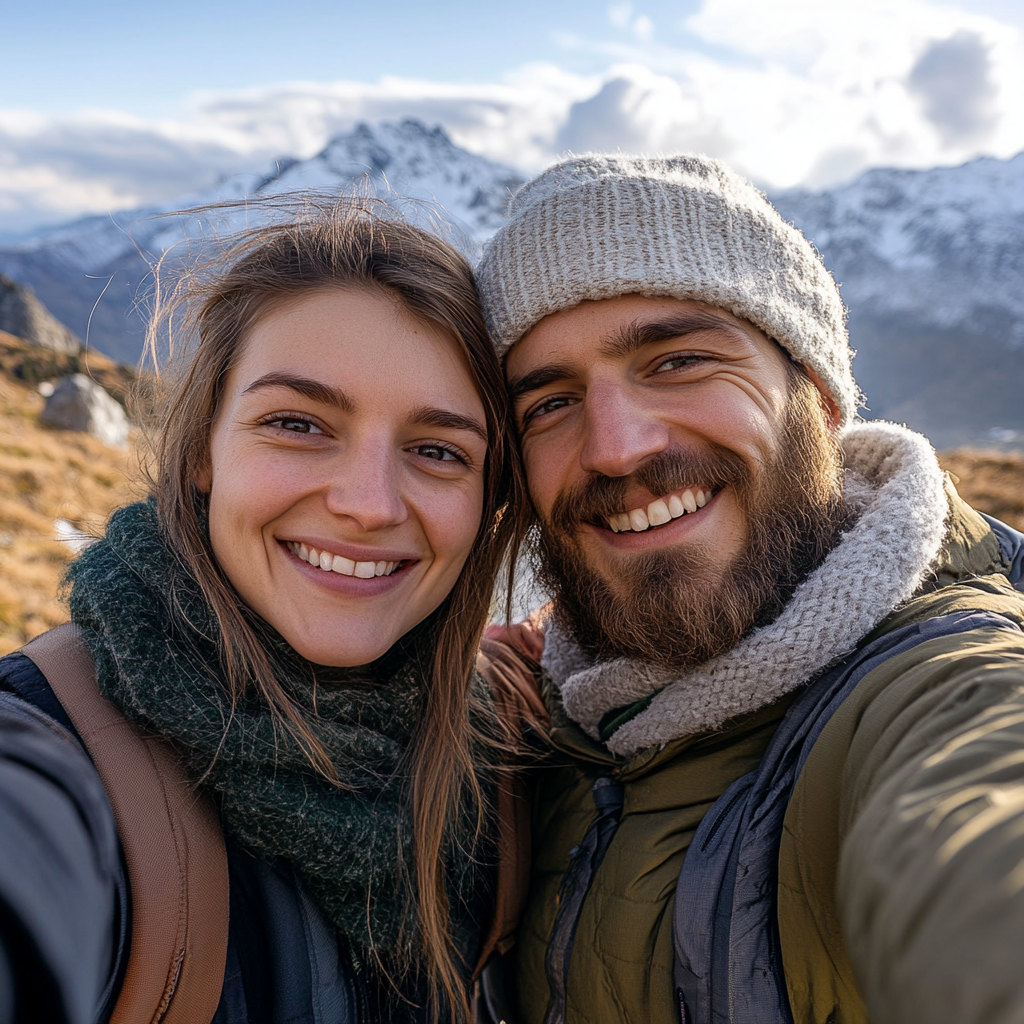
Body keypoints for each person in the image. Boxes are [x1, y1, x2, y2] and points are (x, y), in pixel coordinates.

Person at [474, 155, 1024, 1024]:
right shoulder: (551, 719)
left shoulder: (948, 685)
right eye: (548, 403)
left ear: (817, 393)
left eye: (679, 360)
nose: (616, 447)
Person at [0, 203, 534, 1024]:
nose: (366, 504)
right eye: (297, 424)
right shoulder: (51, 762)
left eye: (437, 450)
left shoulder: (497, 764)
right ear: (204, 450)